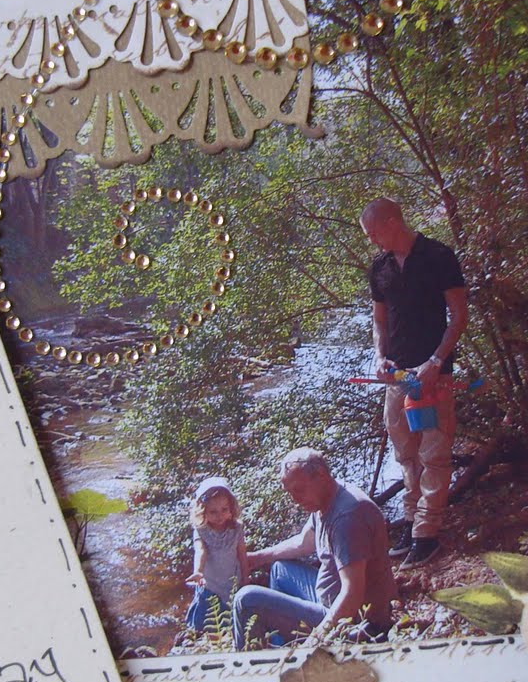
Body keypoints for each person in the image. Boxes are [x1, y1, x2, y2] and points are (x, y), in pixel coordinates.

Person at [361, 198, 468, 567]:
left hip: (435, 375)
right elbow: (379, 321)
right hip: (398, 378)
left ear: (393, 222)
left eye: (374, 232)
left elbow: (459, 315)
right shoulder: (380, 268)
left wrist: (436, 361)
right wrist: (380, 357)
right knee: (406, 454)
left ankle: (427, 534)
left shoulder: (438, 256)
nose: (372, 240)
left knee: (434, 454)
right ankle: (411, 522)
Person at [232, 448, 397, 649]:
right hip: (328, 597)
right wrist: (257, 558)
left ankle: (260, 660)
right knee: (280, 570)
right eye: (290, 493)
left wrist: (315, 640)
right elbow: (304, 542)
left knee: (247, 600)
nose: (295, 500)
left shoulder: (348, 518)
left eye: (299, 490)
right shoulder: (327, 498)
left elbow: (352, 595)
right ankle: (281, 645)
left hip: (353, 622)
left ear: (321, 476)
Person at [183, 476, 250, 632]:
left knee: (230, 614)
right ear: (202, 511)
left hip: (231, 580)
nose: (219, 516)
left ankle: (228, 634)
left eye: (224, 510)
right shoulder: (202, 530)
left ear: (231, 508)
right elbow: (201, 551)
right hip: (210, 583)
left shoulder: (236, 528)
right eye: (213, 512)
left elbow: (242, 554)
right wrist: (198, 571)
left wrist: (246, 577)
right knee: (206, 617)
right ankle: (197, 634)